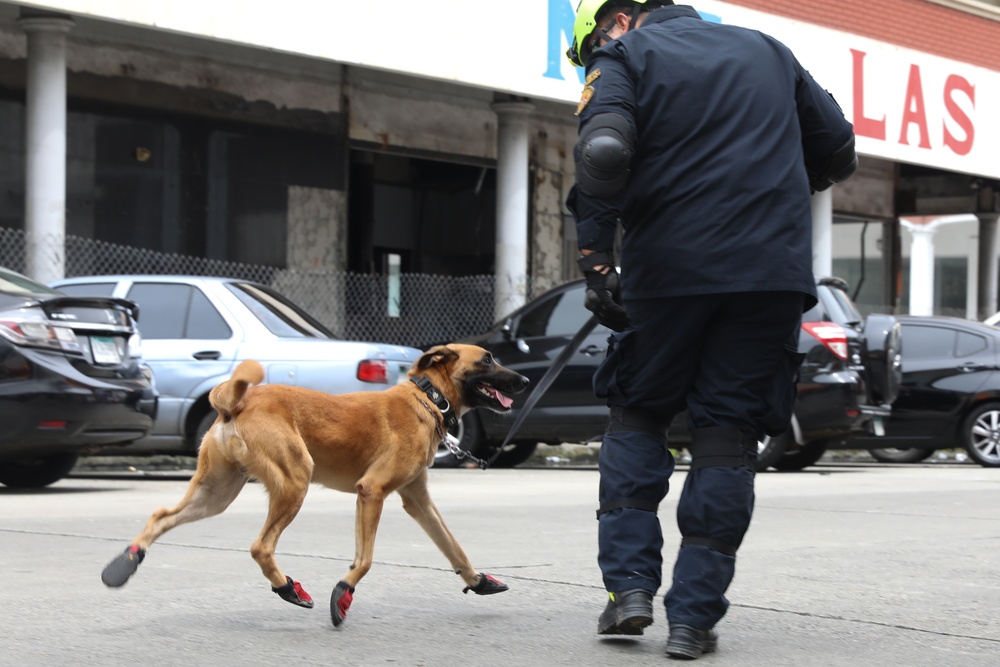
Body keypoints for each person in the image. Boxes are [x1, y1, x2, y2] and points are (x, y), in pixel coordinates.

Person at [564, 0, 857, 660]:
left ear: (616, 21)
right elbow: (838, 150)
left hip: (670, 272)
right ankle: (694, 620)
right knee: (727, 434)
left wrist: (596, 259)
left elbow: (604, 149)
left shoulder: (626, 57)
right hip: (770, 274)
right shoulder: (769, 51)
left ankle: (630, 592)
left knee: (638, 414)